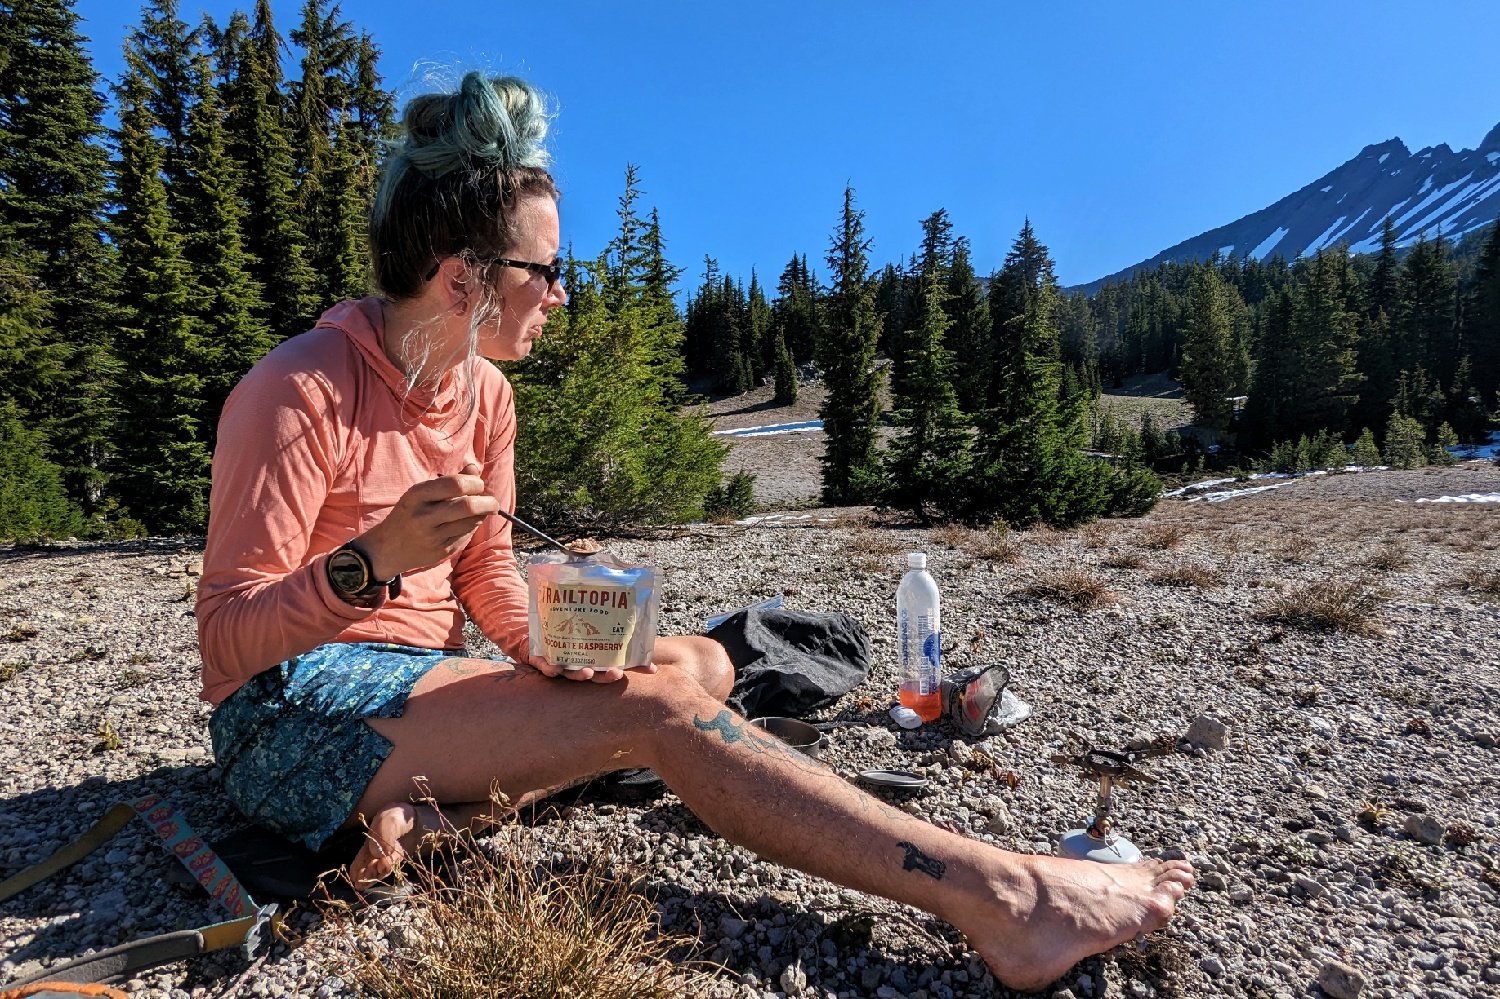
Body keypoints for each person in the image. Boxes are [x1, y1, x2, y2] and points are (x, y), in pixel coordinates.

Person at [195, 71, 1193, 992]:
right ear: (463, 279)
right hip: (289, 723)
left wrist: (558, 638)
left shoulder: (484, 397)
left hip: (412, 697)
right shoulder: (296, 392)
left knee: (698, 668)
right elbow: (229, 648)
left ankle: (430, 816)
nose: (560, 291)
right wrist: (370, 566)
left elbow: (488, 579)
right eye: (546, 268)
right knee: (667, 707)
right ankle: (1006, 900)